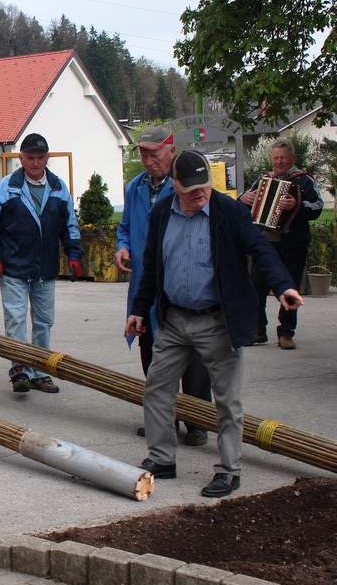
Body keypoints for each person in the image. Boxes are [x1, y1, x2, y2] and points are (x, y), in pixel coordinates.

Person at [126, 150, 303, 498]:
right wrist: (139, 309)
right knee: (157, 389)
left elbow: (261, 250)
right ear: (174, 185)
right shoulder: (161, 212)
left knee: (227, 400)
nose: (200, 193)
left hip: (218, 321)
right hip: (175, 320)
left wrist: (284, 286)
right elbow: (152, 266)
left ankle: (229, 471)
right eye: (191, 188)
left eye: (204, 186)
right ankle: (162, 458)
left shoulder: (229, 211)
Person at [114, 126, 212, 447]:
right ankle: (163, 416)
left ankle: (197, 421)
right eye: (144, 155)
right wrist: (122, 247)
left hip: (180, 281)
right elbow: (125, 227)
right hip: (146, 283)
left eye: (154, 154)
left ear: (171, 151)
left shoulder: (185, 185)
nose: (148, 161)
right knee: (151, 350)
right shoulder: (134, 188)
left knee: (192, 354)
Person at [0, 133, 82, 394]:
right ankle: (19, 371)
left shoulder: (59, 188)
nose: (35, 163)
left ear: (47, 158)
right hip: (13, 268)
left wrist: (74, 255)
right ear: (21, 158)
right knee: (16, 320)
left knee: (44, 322)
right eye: (30, 158)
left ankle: (40, 372)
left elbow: (70, 227)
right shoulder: (6, 188)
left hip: (45, 269)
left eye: (40, 157)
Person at [239, 138, 323, 350]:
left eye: (284, 157)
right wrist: (243, 198)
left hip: (293, 244)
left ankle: (286, 332)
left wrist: (296, 205)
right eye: (276, 158)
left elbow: (317, 206)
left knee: (290, 287)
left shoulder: (304, 181)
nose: (279, 162)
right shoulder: (263, 180)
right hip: (265, 244)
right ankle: (257, 331)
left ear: (293, 158)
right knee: (255, 287)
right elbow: (244, 199)